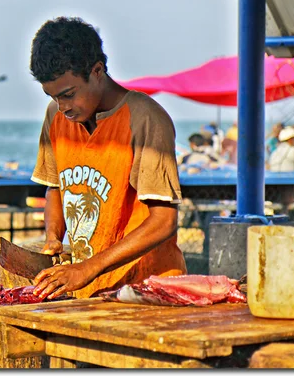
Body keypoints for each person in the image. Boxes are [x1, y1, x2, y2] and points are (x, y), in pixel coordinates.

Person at [28, 17, 186, 300]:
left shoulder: (146, 119)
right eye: (53, 97)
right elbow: (55, 187)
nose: (62, 107)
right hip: (90, 292)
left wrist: (87, 268)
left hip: (148, 292)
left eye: (68, 94)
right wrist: (53, 237)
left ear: (97, 71)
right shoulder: (55, 115)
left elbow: (164, 220)